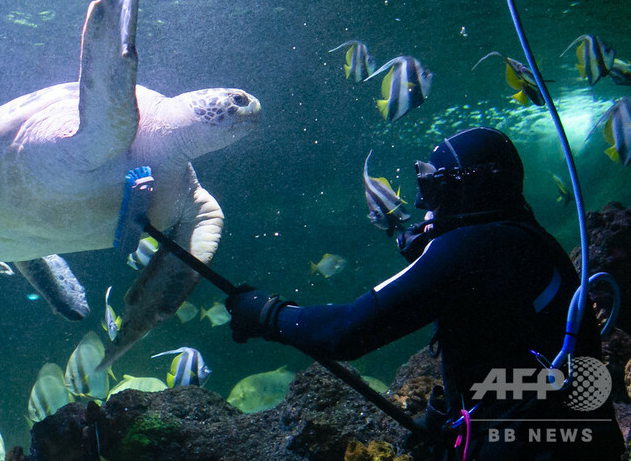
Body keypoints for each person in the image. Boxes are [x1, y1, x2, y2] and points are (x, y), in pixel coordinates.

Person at [226, 127, 624, 460]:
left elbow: (345, 331)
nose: (421, 206)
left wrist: (267, 312)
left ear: (468, 186)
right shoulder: (528, 241)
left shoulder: (474, 247)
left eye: (432, 189)